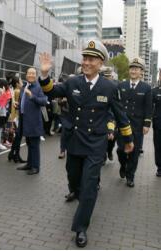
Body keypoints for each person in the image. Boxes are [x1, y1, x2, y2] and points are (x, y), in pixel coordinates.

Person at [39, 40, 134, 247]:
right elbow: (51, 92)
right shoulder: (73, 82)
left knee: (89, 186)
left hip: (95, 144)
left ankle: (81, 227)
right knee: (74, 179)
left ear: (100, 63)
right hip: (75, 141)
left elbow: (121, 116)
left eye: (91, 59)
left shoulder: (110, 87)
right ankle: (80, 197)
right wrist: (45, 75)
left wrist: (128, 140)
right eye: (84, 58)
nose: (86, 62)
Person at [116, 57, 152, 187]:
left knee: (134, 152)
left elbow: (148, 108)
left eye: (136, 69)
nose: (133, 71)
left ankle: (130, 176)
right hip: (123, 125)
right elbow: (117, 106)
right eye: (132, 68)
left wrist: (147, 124)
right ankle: (123, 165)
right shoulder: (121, 85)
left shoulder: (146, 88)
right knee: (120, 149)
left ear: (141, 72)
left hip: (137, 125)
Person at [16, 67, 48, 175]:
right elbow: (22, 101)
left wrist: (32, 96)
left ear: (36, 75)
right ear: (26, 75)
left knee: (35, 145)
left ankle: (35, 167)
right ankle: (29, 164)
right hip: (24, 121)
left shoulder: (38, 87)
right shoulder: (24, 86)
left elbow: (44, 101)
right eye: (29, 73)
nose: (31, 75)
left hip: (34, 122)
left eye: (33, 73)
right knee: (29, 144)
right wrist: (18, 105)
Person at [152, 77, 161, 176]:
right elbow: (149, 107)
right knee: (158, 146)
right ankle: (160, 167)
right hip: (158, 124)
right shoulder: (154, 91)